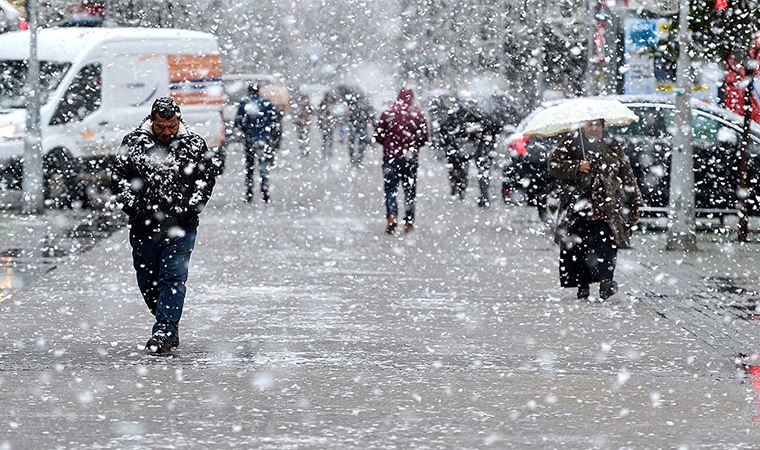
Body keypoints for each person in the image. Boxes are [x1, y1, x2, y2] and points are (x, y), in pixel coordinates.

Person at [112, 97, 221, 354]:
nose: (166, 132)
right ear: (152, 121)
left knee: (172, 277)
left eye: (171, 125)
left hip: (180, 226)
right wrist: (133, 207)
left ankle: (165, 330)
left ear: (178, 120)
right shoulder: (134, 143)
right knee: (147, 280)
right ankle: (164, 315)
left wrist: (190, 209)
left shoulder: (194, 145)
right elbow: (118, 178)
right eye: (161, 126)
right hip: (144, 226)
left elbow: (205, 181)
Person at [547, 119, 642, 300]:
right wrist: (577, 167)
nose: (594, 128)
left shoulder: (612, 145)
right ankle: (583, 286)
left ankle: (606, 283)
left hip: (606, 209)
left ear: (603, 127)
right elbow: (553, 166)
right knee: (579, 248)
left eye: (597, 125)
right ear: (584, 126)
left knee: (606, 247)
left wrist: (633, 202)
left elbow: (627, 174)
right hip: (577, 208)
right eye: (590, 125)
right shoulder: (571, 142)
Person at [374, 87, 429, 234]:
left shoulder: (388, 114)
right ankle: (409, 221)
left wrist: (388, 145)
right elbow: (424, 138)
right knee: (409, 190)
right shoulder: (417, 115)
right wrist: (412, 146)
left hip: (391, 157)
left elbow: (378, 135)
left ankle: (392, 216)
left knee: (390, 189)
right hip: (410, 158)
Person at [234, 83, 280, 203]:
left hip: (250, 140)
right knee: (264, 166)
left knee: (250, 167)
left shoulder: (245, 104)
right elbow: (275, 122)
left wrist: (246, 131)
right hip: (264, 139)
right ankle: (265, 191)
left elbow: (238, 122)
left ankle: (249, 193)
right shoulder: (267, 104)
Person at [293, 92, 313, 157]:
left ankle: (305, 150)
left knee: (304, 137)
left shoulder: (306, 107)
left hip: (305, 125)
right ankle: (303, 150)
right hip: (301, 125)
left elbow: (310, 114)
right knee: (302, 137)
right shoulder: (299, 106)